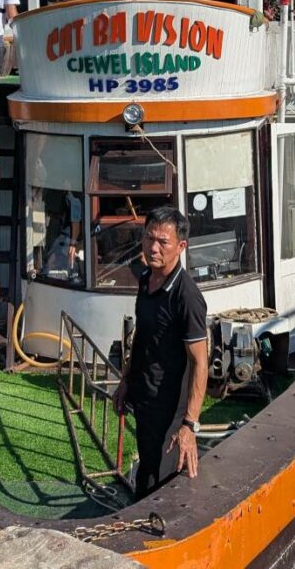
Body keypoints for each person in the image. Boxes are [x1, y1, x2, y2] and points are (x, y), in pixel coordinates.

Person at [113, 206, 208, 499]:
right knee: (145, 473)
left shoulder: (187, 296)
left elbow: (200, 363)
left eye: (162, 242)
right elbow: (141, 333)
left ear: (181, 246)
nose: (153, 248)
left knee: (162, 484)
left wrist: (189, 424)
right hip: (144, 395)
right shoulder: (145, 278)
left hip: (171, 409)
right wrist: (126, 379)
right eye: (148, 238)